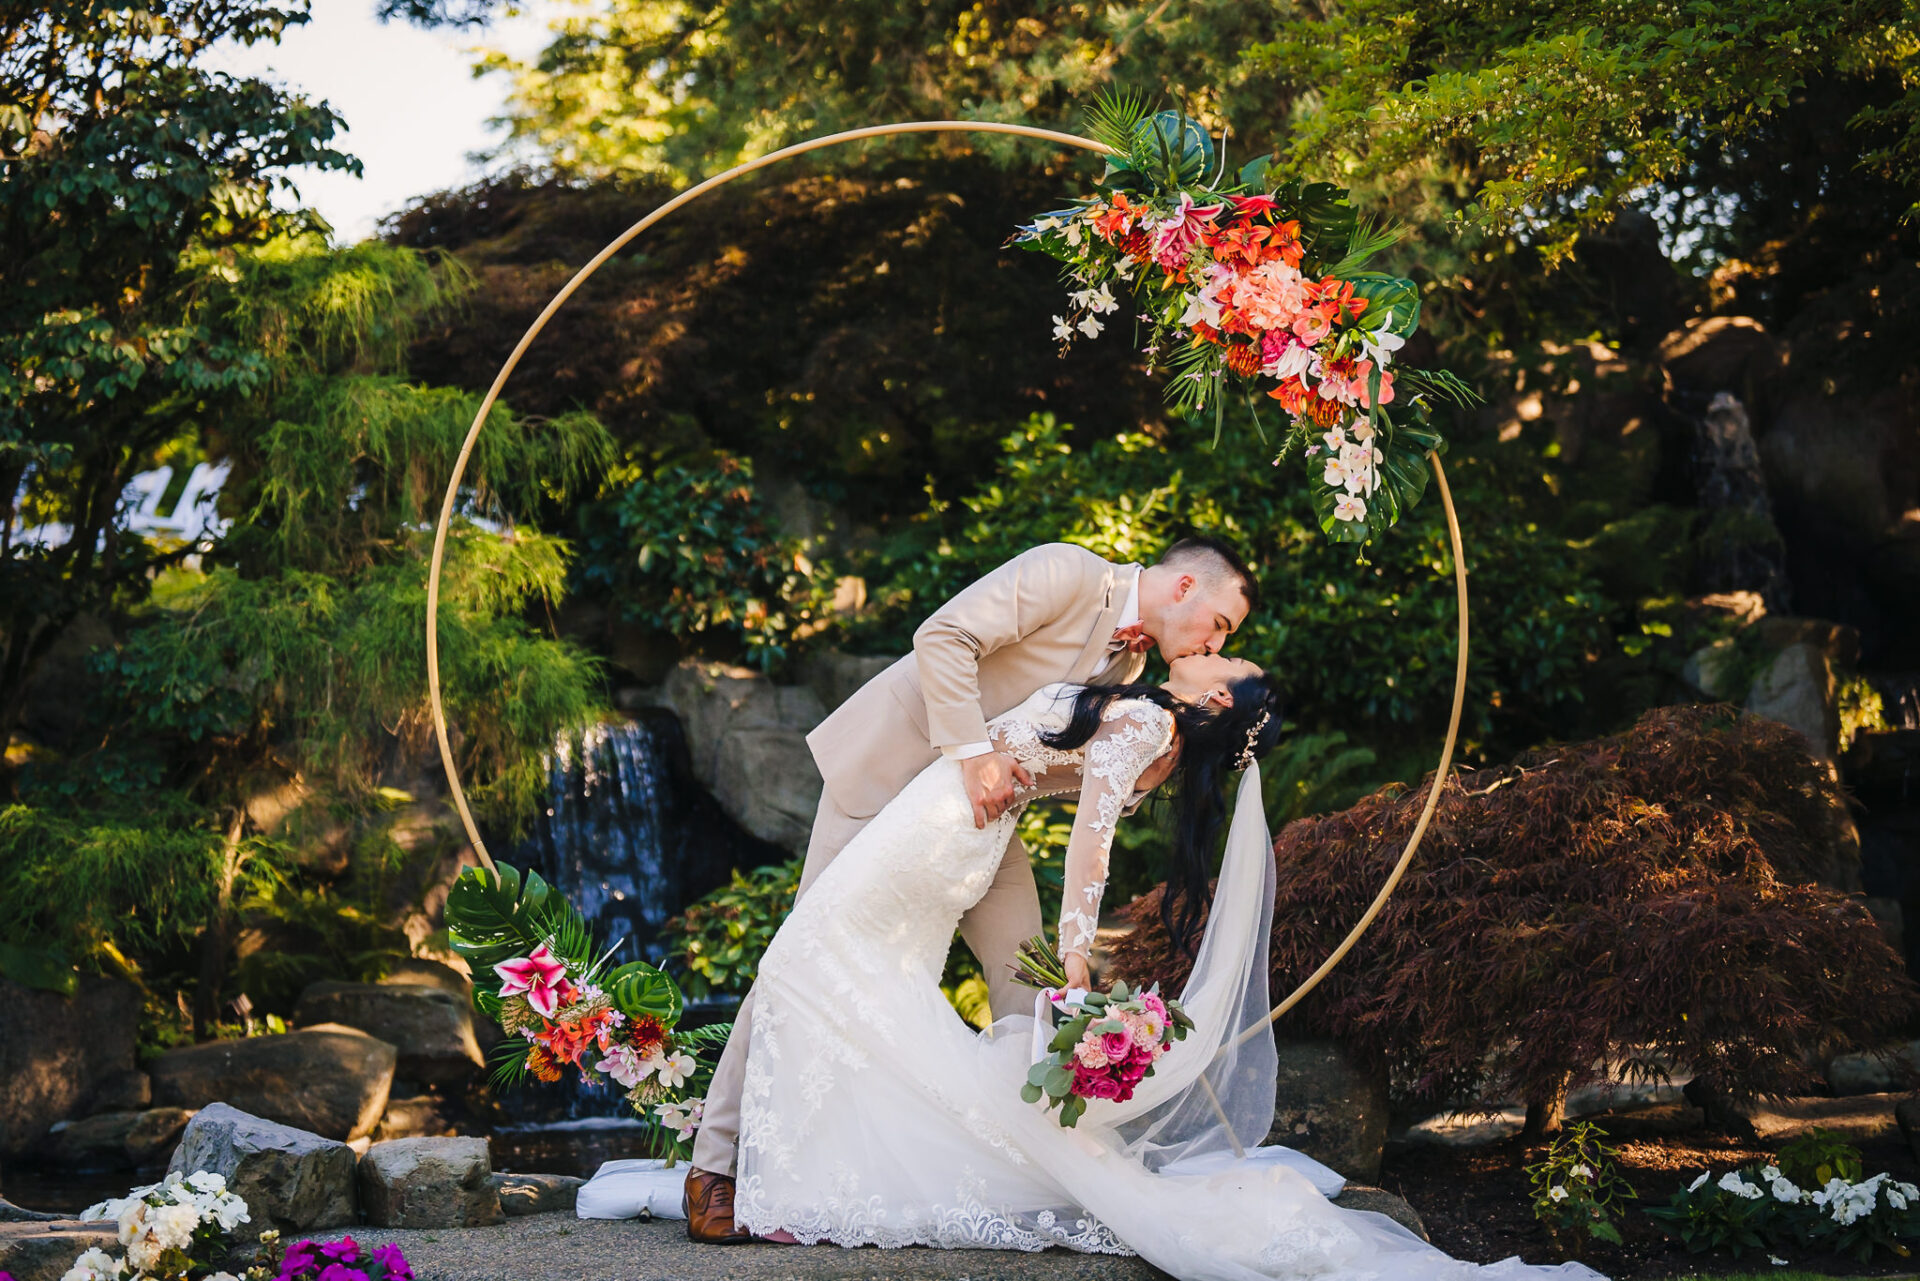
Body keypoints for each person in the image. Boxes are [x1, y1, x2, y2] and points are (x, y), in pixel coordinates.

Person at [728, 661, 1607, 1279]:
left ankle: (810, 1182)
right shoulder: (1148, 717)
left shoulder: (1148, 721)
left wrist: (1075, 954)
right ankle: (817, 1180)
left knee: (804, 960)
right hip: (964, 824)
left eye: (1226, 648)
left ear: (1220, 693)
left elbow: (1091, 840)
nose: (1210, 644)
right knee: (863, 984)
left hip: (945, 820)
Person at [684, 536, 1260, 1241]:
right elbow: (944, 636)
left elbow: (1075, 760)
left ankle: (1038, 1159)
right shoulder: (1070, 572)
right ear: (1185, 589)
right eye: (1221, 624)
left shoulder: (1134, 662)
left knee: (1026, 970)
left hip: (978, 819)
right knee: (805, 956)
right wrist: (975, 755)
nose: (1214, 640)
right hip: (897, 770)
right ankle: (714, 1166)